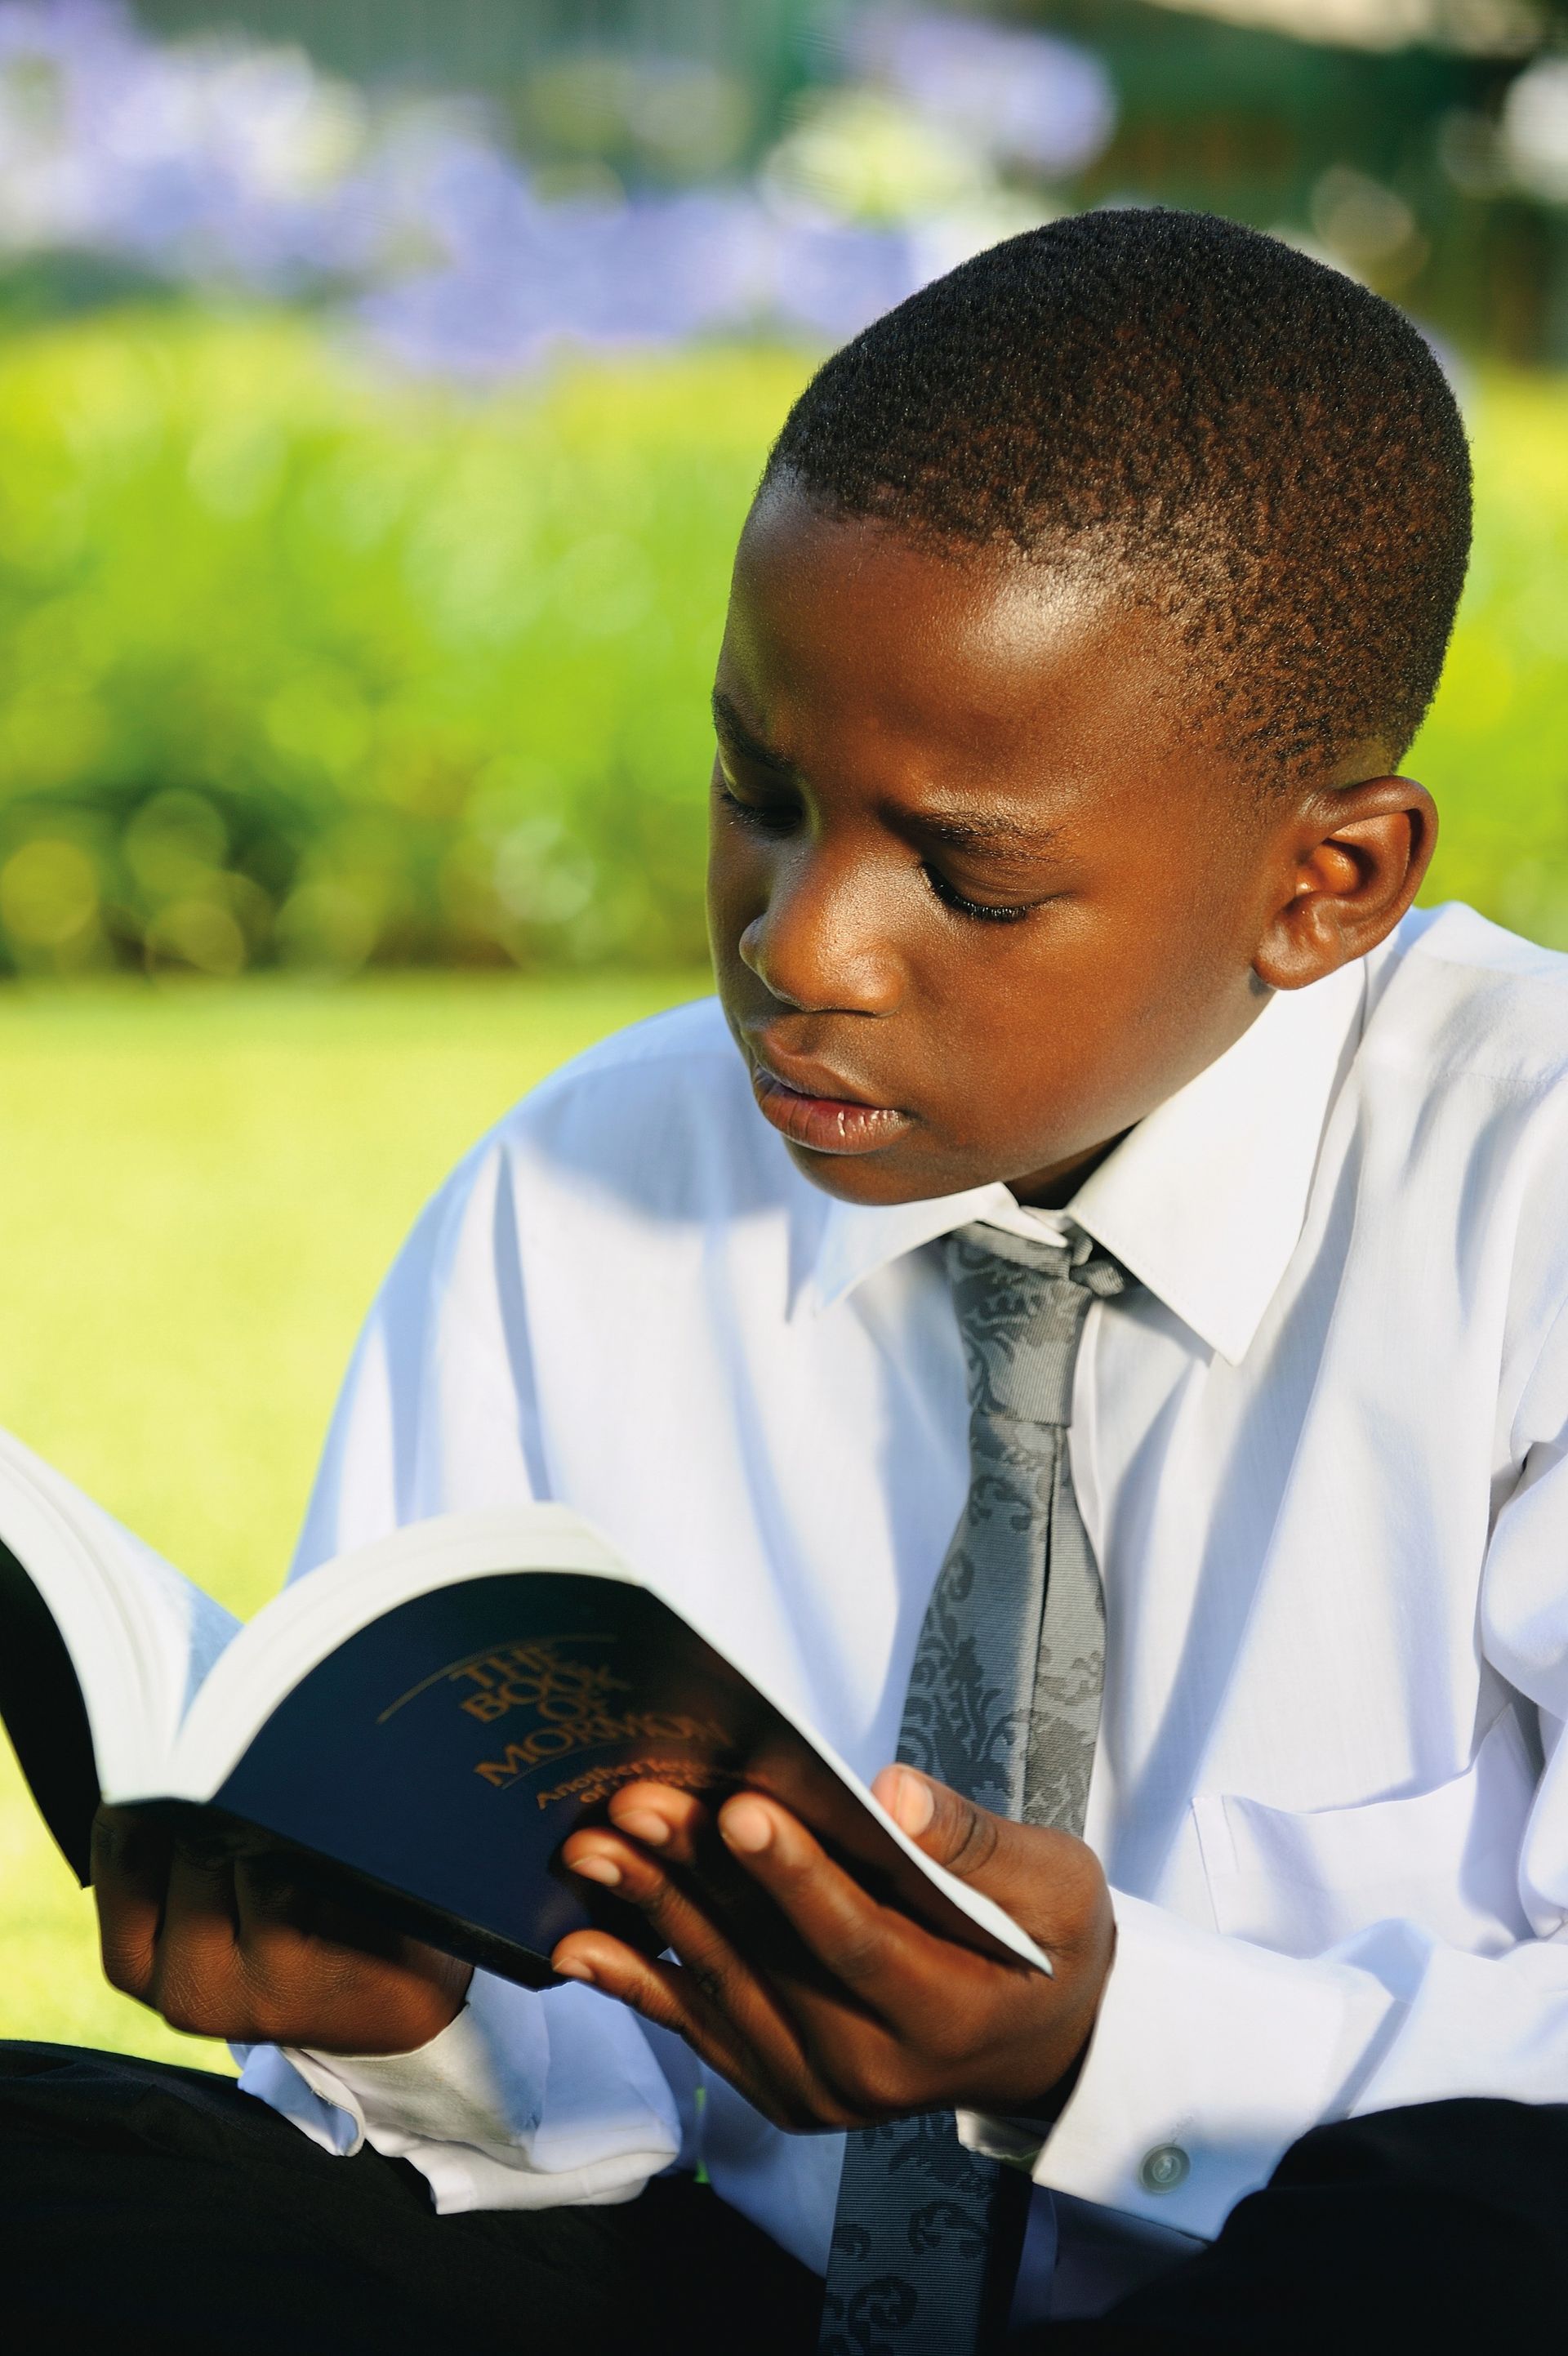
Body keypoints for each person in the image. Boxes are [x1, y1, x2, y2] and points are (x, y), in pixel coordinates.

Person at [5, 208, 1568, 2353]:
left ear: (1329, 882)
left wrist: (1102, 2041)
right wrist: (396, 2018)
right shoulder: (580, 1188)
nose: (798, 946)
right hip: (718, 2289)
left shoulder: (1527, 1191)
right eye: (760, 791)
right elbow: (526, 2158)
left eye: (969, 873)